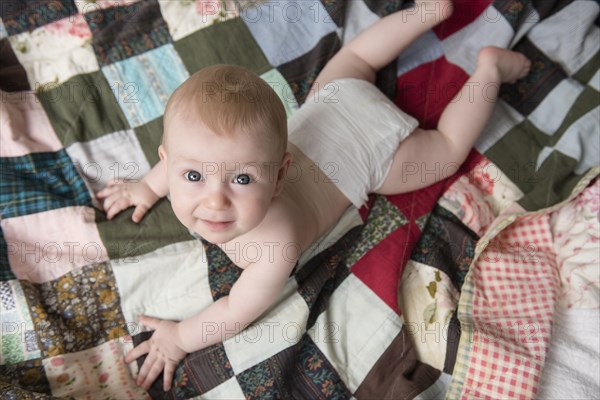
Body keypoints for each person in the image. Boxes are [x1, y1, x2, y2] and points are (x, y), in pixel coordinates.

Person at [97, 0, 531, 392]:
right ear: (169, 162)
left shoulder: (274, 246)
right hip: (334, 101)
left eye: (243, 181)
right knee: (355, 58)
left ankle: (487, 72)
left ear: (281, 175)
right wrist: (146, 186)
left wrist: (178, 338)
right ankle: (429, 12)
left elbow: (234, 312)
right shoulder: (207, 160)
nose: (215, 201)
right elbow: (183, 157)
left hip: (371, 150)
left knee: (446, 152)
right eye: (191, 175)